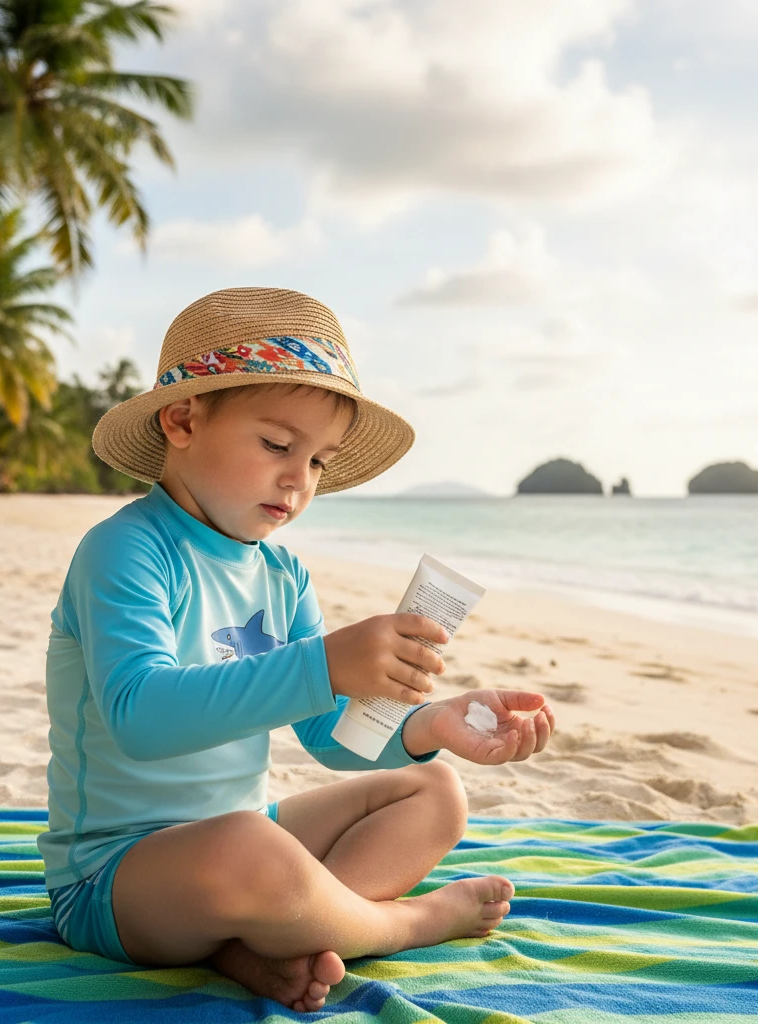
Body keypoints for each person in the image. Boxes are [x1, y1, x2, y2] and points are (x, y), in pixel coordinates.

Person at [38, 287, 556, 1013]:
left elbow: (331, 738)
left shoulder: (283, 575)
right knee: (247, 849)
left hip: (250, 847)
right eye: (279, 445)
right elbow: (139, 717)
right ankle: (398, 925)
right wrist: (324, 664)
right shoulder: (124, 551)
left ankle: (268, 943)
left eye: (319, 461)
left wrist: (430, 726)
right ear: (183, 420)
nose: (299, 479)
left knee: (434, 791)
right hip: (115, 877)